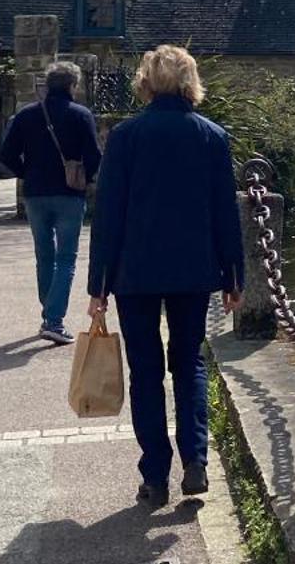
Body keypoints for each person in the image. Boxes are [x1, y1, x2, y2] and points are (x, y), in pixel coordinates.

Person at [86, 44, 244, 506]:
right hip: (194, 269)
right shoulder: (212, 136)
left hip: (135, 271)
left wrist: (98, 286)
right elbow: (224, 215)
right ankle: (195, 460)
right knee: (189, 364)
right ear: (190, 82)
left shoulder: (125, 137)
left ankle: (155, 473)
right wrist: (234, 276)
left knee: (146, 371)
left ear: (147, 83)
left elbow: (109, 215)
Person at [0, 61, 103, 344]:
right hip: (69, 193)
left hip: (35, 193)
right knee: (66, 257)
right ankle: (54, 320)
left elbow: (6, 154)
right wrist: (88, 178)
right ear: (73, 85)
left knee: (43, 254)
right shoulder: (81, 115)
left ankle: (49, 313)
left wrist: (26, 173)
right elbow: (94, 155)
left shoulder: (26, 115)